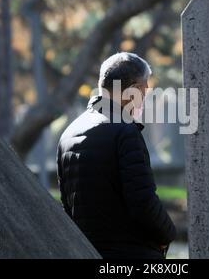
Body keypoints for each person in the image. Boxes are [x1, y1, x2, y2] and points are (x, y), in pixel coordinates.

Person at [56, 52, 176, 259]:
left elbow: (67, 207)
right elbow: (143, 202)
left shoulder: (68, 134)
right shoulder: (124, 131)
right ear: (135, 90)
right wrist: (168, 233)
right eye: (144, 94)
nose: (142, 103)